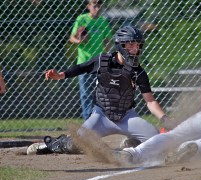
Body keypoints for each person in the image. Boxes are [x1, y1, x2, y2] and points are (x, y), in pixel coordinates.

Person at [27, 25, 176, 155]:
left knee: (156, 139)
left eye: (138, 45)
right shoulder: (102, 61)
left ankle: (133, 141)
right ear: (120, 45)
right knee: (76, 144)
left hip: (127, 118)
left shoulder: (138, 71)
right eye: (131, 45)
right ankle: (52, 144)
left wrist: (164, 118)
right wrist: (60, 75)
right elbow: (82, 67)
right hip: (100, 117)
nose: (135, 49)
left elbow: (150, 101)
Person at [70, 0, 112, 120]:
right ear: (88, 6)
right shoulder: (82, 19)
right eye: (95, 6)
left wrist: (108, 52)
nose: (97, 8)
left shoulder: (102, 21)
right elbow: (72, 37)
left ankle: (101, 120)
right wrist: (79, 41)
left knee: (102, 92)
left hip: (98, 62)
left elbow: (108, 40)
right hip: (83, 61)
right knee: (85, 94)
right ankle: (88, 120)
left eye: (99, 6)